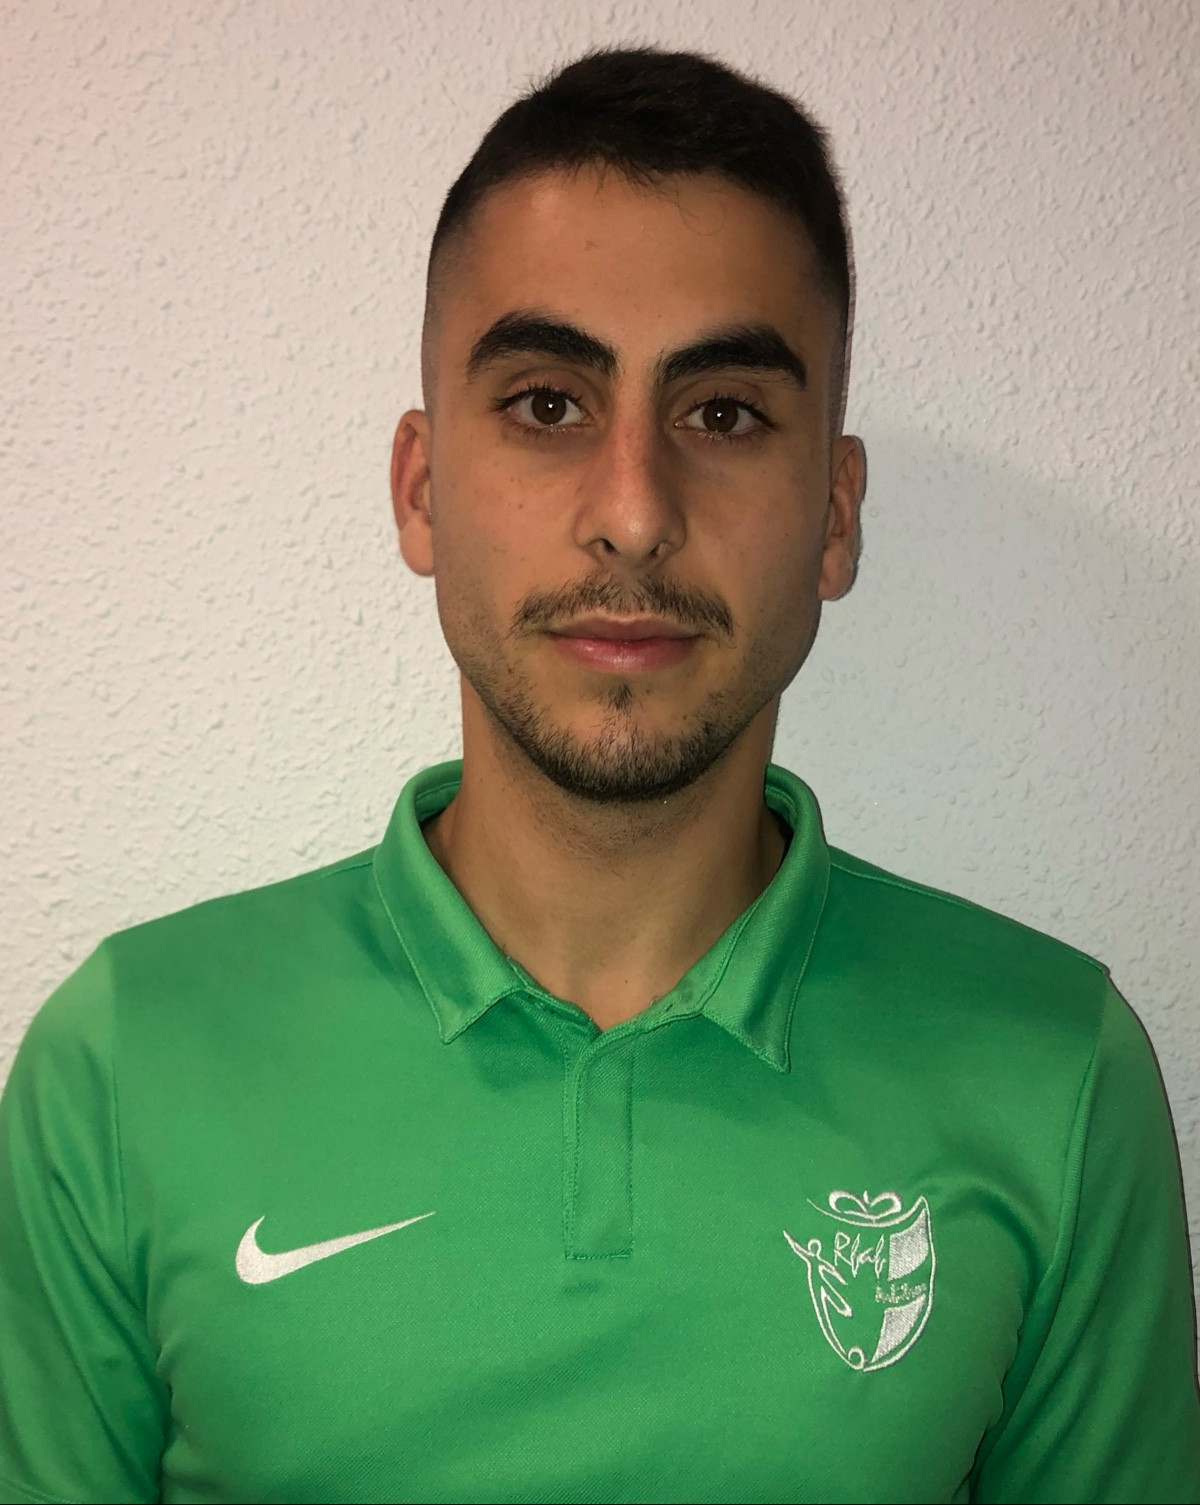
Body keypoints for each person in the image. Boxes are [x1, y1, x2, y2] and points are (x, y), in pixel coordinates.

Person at [1, 45, 1197, 1505]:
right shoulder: (126, 1066)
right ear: (421, 489)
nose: (633, 512)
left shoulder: (1056, 1074)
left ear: (834, 515)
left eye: (724, 413)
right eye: (549, 404)